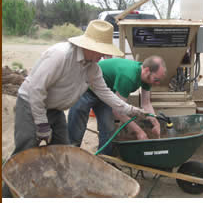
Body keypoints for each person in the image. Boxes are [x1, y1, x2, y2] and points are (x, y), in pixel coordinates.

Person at [12, 20, 147, 156]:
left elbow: (106, 93)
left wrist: (131, 110)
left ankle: (57, 177)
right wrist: (41, 123)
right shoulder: (61, 56)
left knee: (62, 150)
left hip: (55, 109)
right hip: (30, 103)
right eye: (102, 51)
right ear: (90, 47)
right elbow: (36, 89)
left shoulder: (93, 68)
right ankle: (14, 176)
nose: (103, 55)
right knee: (25, 151)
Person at [68, 56, 167, 155]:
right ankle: (69, 157)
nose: (157, 83)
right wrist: (139, 131)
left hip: (106, 94)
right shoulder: (128, 76)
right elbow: (117, 111)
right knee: (77, 127)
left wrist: (156, 123)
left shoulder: (147, 78)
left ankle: (104, 161)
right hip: (87, 88)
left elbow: (146, 103)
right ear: (146, 70)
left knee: (108, 128)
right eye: (156, 79)